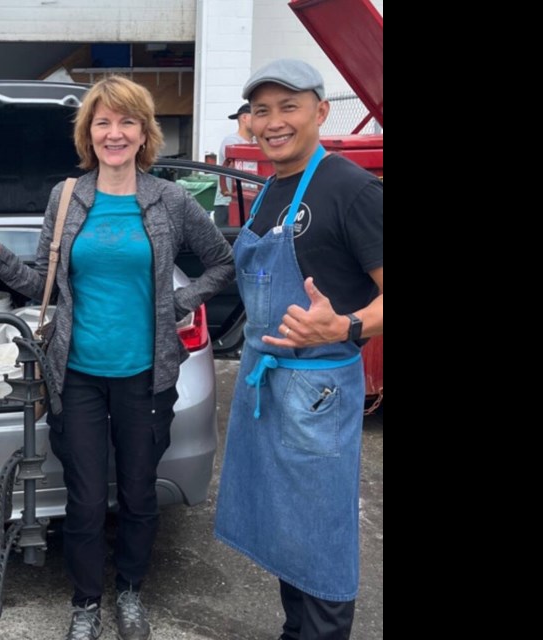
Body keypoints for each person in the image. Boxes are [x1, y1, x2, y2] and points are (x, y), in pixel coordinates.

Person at [0, 76, 235, 640]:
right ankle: (86, 603)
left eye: (126, 121)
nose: (114, 132)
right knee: (85, 500)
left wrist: (175, 303)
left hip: (146, 376)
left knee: (138, 493)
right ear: (89, 133)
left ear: (143, 133)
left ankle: (130, 593)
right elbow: (43, 281)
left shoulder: (171, 199)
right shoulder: (67, 198)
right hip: (77, 375)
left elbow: (222, 264)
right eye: (103, 122)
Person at [213, 59, 383, 640]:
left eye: (289, 106)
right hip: (270, 383)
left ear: (320, 110)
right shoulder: (268, 191)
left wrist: (346, 328)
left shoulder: (352, 188)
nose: (273, 122)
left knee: (321, 537)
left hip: (319, 392)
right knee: (287, 531)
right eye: (262, 110)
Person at [212, 103, 254, 222]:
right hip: (228, 203)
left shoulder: (256, 142)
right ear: (245, 118)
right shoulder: (231, 142)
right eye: (257, 116)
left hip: (247, 203)